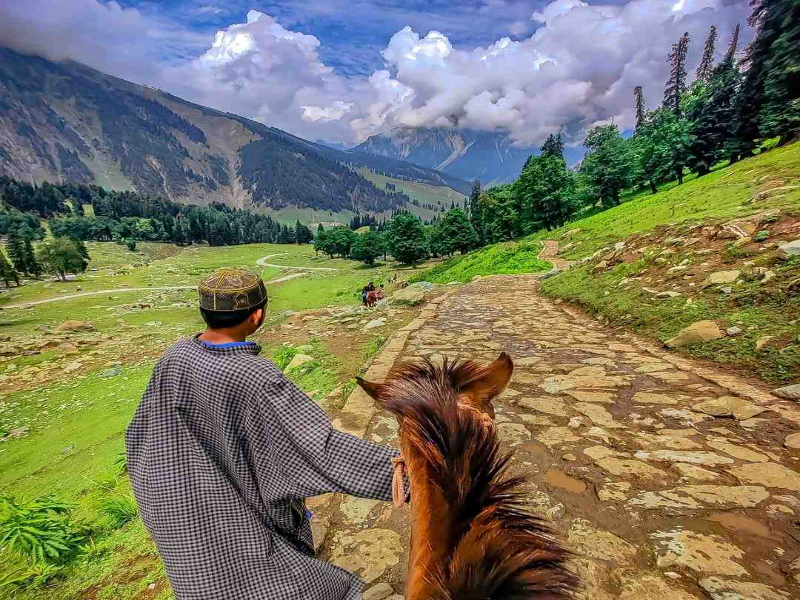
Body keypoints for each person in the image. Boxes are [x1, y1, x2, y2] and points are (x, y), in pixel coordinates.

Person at [126, 268, 400, 600]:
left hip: (176, 506)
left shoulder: (175, 357)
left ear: (205, 314)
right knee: (287, 585)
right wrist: (407, 469)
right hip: (235, 512)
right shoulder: (254, 375)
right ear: (257, 315)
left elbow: (143, 432)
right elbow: (317, 447)